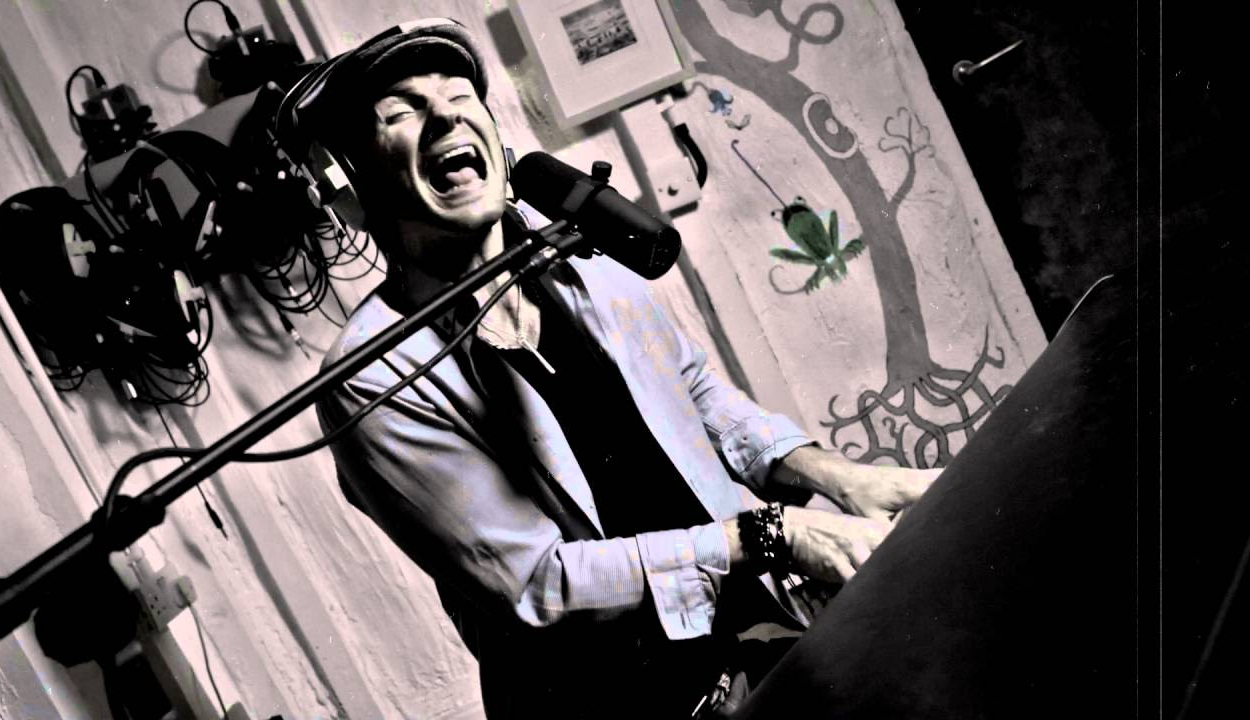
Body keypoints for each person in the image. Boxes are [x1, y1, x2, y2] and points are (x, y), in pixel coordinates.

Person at [295, 18, 938, 719]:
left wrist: (839, 478)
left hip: (746, 636)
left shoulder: (578, 259)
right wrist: (773, 536)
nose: (445, 114)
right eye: (401, 111)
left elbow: (693, 394)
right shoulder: (372, 381)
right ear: (350, 183)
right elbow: (539, 585)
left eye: (458, 95)